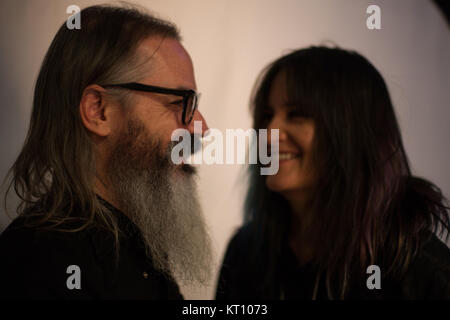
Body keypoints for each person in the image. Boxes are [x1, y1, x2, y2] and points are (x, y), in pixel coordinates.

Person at [0, 4, 213, 299]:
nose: (201, 128)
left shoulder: (137, 246)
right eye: (179, 103)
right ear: (99, 110)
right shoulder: (41, 266)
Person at [216, 46, 450, 300]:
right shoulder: (246, 251)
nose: (269, 132)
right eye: (267, 115)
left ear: (351, 133)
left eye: (297, 115)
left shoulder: (417, 268)